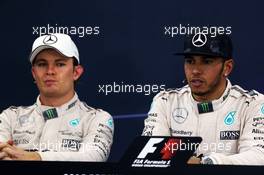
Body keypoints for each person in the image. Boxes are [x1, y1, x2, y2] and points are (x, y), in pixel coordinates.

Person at [142, 33, 264, 165]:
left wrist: (206, 163)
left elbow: (258, 156)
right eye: (190, 61)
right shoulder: (165, 101)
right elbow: (150, 153)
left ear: (227, 67)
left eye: (206, 61)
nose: (195, 70)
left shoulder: (252, 103)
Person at [0, 33, 114, 161]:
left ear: (76, 72)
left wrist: (36, 157)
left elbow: (92, 158)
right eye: (42, 64)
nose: (50, 71)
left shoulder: (96, 118)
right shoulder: (10, 117)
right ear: (33, 73)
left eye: (60, 64)